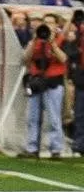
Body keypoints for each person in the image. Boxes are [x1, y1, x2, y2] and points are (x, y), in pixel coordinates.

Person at [21, 13, 67, 158]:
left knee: (54, 117)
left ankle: (56, 148)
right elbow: (25, 59)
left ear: (56, 25)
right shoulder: (36, 40)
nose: (47, 25)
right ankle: (32, 147)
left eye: (50, 22)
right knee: (32, 117)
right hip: (37, 81)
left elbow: (63, 58)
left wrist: (52, 43)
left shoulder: (60, 39)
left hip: (53, 81)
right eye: (45, 22)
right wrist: (34, 40)